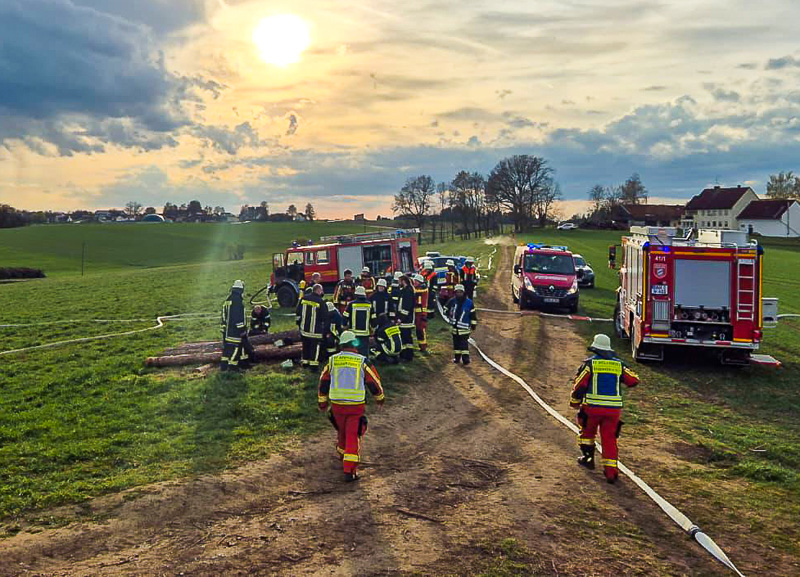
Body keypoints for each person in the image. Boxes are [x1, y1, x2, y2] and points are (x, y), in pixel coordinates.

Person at [570, 334, 640, 484]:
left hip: (592, 409)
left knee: (587, 434)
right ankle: (611, 473)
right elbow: (633, 380)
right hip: (613, 411)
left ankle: (588, 460)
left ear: (595, 348)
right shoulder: (619, 365)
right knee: (609, 439)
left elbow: (579, 385)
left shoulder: (590, 364)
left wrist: (574, 402)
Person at [318, 331, 385, 482]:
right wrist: (380, 398)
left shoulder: (332, 360)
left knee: (342, 431)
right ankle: (349, 470)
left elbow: (324, 382)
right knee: (353, 436)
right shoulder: (362, 361)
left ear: (341, 344)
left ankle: (342, 454)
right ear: (354, 344)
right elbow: (373, 382)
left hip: (337, 405)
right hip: (355, 406)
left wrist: (322, 402)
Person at [220, 280, 254, 371]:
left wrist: (223, 328)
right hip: (234, 331)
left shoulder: (228, 300)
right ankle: (233, 366)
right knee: (236, 347)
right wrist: (242, 330)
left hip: (226, 330)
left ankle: (226, 365)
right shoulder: (237, 301)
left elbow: (224, 316)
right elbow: (238, 318)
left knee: (228, 348)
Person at [295, 283, 329, 369]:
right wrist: (325, 330)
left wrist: (299, 324)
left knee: (305, 346)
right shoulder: (320, 302)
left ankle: (305, 363)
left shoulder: (303, 299)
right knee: (315, 348)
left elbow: (298, 313)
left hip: (304, 329)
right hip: (315, 331)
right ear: (318, 290)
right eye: (321, 290)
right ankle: (313, 366)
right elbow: (325, 317)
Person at [444, 284, 477, 365]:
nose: (459, 294)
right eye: (457, 292)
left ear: (463, 292)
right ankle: (457, 358)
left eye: (460, 292)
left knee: (464, 345)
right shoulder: (452, 301)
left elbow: (473, 315)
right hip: (455, 328)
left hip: (464, 329)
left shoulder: (469, 303)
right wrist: (447, 313)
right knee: (456, 345)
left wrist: (473, 325)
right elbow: (445, 308)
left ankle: (466, 359)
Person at [343, 286, 375, 358]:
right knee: (364, 352)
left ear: (356, 294)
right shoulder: (369, 304)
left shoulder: (351, 304)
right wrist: (372, 328)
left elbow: (345, 317)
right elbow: (373, 319)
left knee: (354, 351)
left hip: (354, 333)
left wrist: (344, 326)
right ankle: (365, 365)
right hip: (365, 333)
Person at [396, 275, 416, 361]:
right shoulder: (405, 290)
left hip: (406, 319)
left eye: (399, 281)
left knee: (406, 338)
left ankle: (407, 356)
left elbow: (406, 307)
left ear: (403, 281)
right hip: (405, 318)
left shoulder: (408, 291)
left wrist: (401, 318)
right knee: (405, 337)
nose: (398, 283)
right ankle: (405, 355)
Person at [412, 273, 429, 353]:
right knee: (417, 331)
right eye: (414, 280)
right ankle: (421, 346)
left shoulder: (422, 289)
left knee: (421, 330)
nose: (414, 282)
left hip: (420, 313)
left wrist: (424, 314)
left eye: (416, 281)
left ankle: (423, 346)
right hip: (414, 313)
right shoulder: (415, 288)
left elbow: (423, 303)